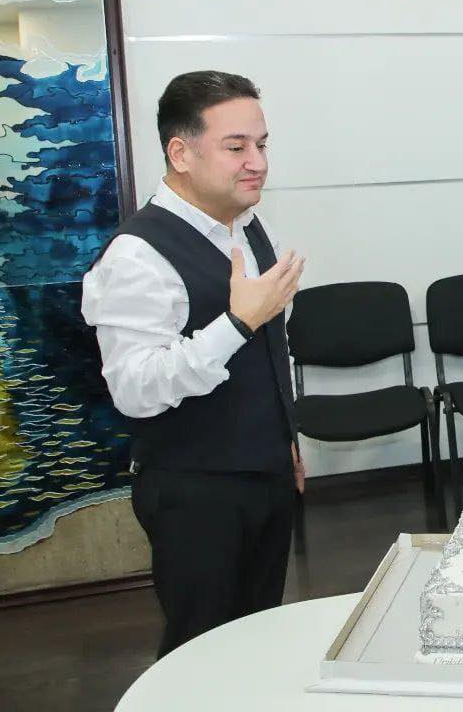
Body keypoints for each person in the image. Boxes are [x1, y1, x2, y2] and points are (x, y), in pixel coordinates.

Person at [82, 71, 306, 657]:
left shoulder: (247, 224)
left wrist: (284, 441)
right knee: (200, 649)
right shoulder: (136, 255)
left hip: (264, 474)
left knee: (257, 635)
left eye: (262, 144)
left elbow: (268, 353)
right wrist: (236, 323)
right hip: (195, 490)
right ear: (180, 153)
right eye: (236, 147)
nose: (257, 162)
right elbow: (134, 388)